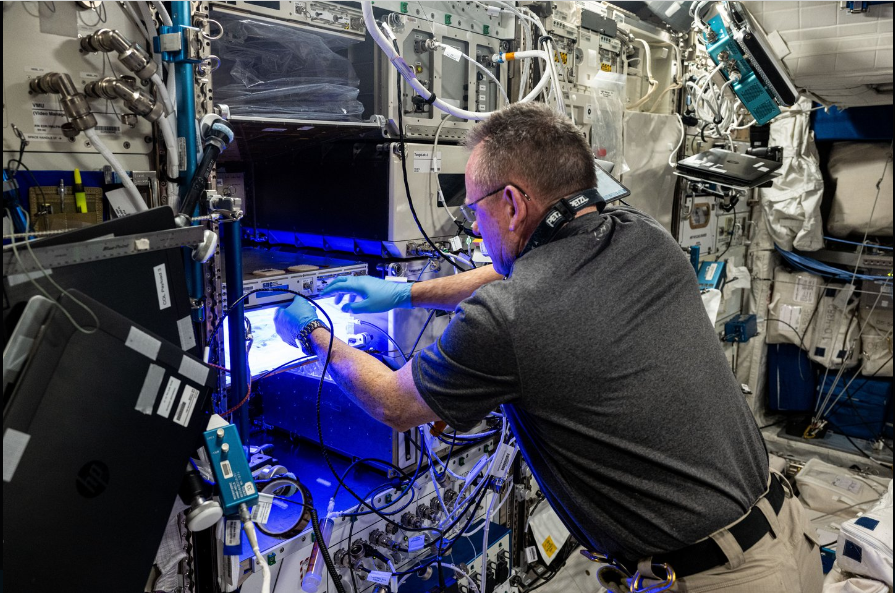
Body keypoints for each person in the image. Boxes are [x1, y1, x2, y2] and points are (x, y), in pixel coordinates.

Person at [274, 102, 823, 592]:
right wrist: (407, 291)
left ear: (512, 204)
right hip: (785, 538)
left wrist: (311, 333)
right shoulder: (646, 237)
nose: (475, 228)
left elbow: (394, 403)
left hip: (717, 580)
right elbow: (527, 277)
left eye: (475, 212)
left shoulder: (508, 318)